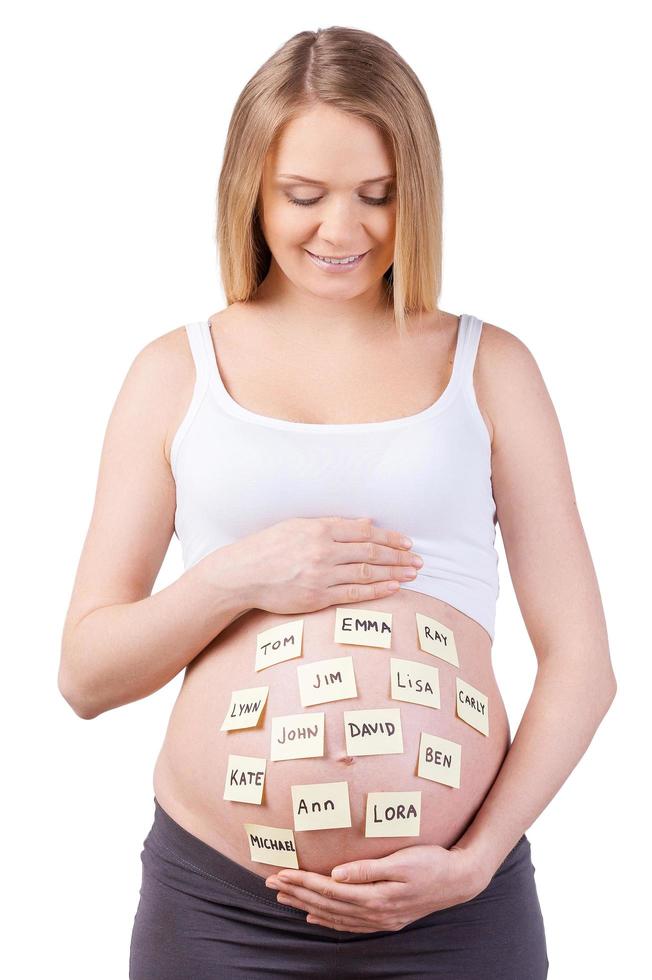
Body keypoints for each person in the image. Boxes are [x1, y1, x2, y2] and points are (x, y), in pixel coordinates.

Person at [58, 26, 616, 980]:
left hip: (453, 906)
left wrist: (473, 863)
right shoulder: (174, 372)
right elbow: (85, 675)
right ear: (250, 190)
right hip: (220, 903)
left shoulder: (492, 368)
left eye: (379, 195)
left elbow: (583, 662)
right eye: (304, 196)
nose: (343, 231)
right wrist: (239, 576)